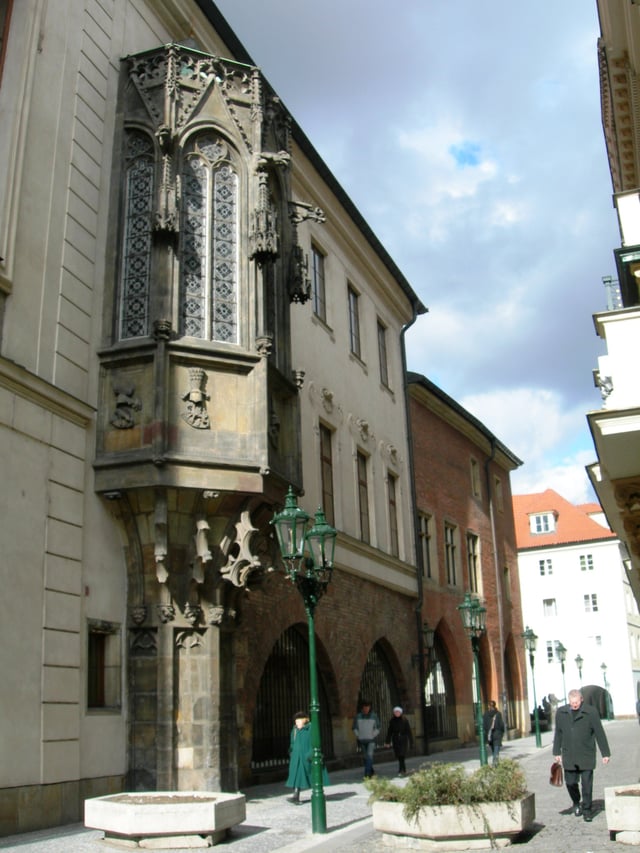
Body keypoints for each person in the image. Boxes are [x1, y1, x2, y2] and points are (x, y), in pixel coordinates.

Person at [552, 688, 611, 822]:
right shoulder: (561, 713)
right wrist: (556, 751)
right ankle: (576, 802)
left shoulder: (590, 712)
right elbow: (558, 733)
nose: (574, 705)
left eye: (577, 702)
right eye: (572, 702)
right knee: (571, 783)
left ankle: (587, 810)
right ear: (569, 701)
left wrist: (605, 753)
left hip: (586, 753)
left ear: (581, 700)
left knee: (587, 784)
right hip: (569, 754)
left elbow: (599, 732)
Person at [285, 711, 329, 804]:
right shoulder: (295, 730)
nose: (297, 723)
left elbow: (315, 740)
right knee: (297, 776)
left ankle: (319, 793)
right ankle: (296, 796)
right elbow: (292, 742)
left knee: (313, 774)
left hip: (308, 755)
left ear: (305, 720)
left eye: (299, 720)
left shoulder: (311, 728)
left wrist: (311, 753)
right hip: (297, 757)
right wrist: (291, 752)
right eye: (296, 721)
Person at [352, 699, 381, 778]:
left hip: (371, 740)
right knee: (365, 757)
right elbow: (354, 728)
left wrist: (373, 734)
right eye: (365, 708)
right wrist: (358, 735)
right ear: (362, 708)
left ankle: (367, 773)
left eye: (368, 707)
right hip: (362, 740)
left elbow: (378, 727)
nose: (366, 709)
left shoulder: (374, 716)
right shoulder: (358, 717)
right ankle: (371, 770)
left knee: (370, 756)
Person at [384, 706, 413, 776]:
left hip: (403, 739)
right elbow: (389, 732)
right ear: (394, 713)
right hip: (396, 739)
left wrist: (411, 741)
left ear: (400, 712)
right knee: (399, 755)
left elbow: (408, 731)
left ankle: (402, 769)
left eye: (398, 712)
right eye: (395, 712)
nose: (397, 713)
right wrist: (387, 741)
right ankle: (402, 769)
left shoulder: (405, 720)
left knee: (402, 754)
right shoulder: (392, 721)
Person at [482, 700, 505, 765]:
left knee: (493, 749)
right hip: (497, 734)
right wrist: (502, 732)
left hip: (490, 735)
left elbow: (484, 725)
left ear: (489, 706)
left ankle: (495, 763)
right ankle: (495, 763)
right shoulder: (498, 714)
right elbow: (501, 725)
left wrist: (486, 733)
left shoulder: (485, 714)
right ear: (495, 705)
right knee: (496, 749)